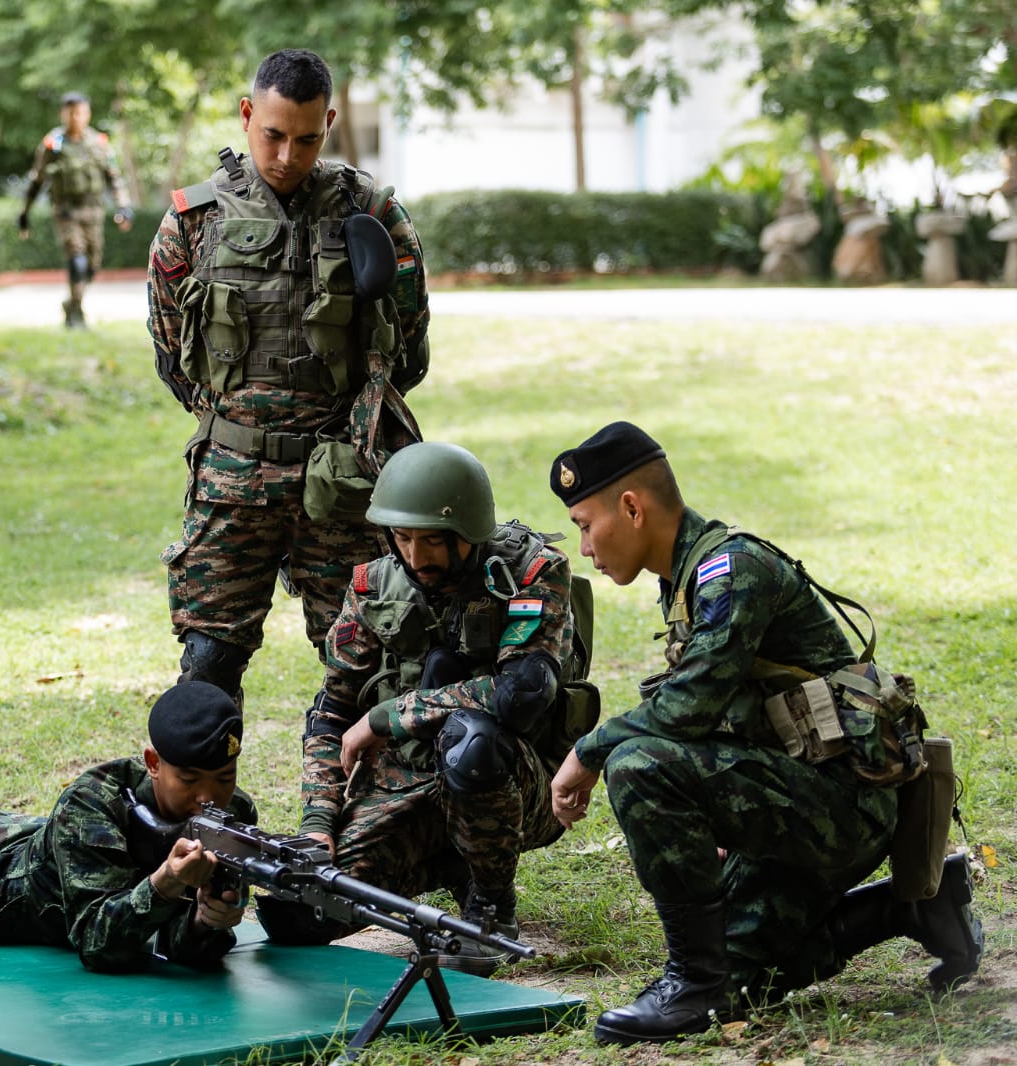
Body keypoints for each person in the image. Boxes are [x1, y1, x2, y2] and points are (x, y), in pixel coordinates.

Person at [546, 421, 983, 1045]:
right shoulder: (688, 576)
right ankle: (911, 908)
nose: (585, 546)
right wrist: (717, 818)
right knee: (745, 980)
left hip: (842, 803)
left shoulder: (731, 570)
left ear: (632, 507)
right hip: (796, 795)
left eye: (586, 525)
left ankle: (691, 986)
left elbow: (685, 711)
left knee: (637, 763)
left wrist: (586, 752)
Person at [147, 49, 431, 709]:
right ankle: (209, 804)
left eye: (306, 138)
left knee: (371, 663)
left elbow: (409, 348)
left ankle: (362, 811)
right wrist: (242, 425)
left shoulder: (373, 214)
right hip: (232, 482)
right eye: (272, 134)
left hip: (341, 480)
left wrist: (341, 426)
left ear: (327, 123)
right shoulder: (194, 220)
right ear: (248, 115)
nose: (286, 155)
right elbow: (171, 352)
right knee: (208, 662)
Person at [276, 442, 589, 974]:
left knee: (474, 738)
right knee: (296, 917)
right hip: (402, 789)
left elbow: (521, 695)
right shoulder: (372, 587)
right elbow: (331, 714)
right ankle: (443, 860)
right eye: (403, 539)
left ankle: (490, 907)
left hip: (513, 784)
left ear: (467, 533)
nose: (417, 558)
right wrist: (316, 824)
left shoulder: (529, 573)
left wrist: (387, 717)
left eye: (434, 542)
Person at [0, 681, 253, 972]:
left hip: (26, 842)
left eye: (224, 777)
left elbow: (170, 940)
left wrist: (206, 920)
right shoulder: (94, 801)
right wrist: (164, 884)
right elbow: (98, 943)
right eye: (190, 779)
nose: (209, 796)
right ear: (152, 763)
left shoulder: (232, 818)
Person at [18, 90, 134, 328]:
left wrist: (123, 206)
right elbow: (37, 180)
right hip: (66, 212)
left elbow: (114, 178)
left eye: (79, 112)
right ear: (63, 114)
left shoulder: (99, 143)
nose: (75, 118)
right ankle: (77, 314)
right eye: (70, 113)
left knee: (92, 266)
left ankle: (72, 301)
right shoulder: (53, 144)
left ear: (87, 114)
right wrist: (24, 213)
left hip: (93, 212)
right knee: (77, 261)